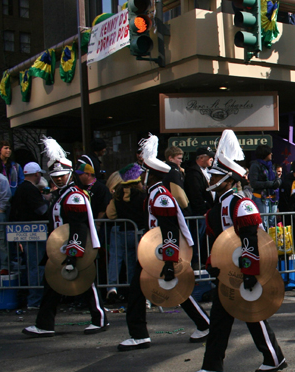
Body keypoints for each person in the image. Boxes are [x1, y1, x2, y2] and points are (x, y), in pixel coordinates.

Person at [189, 130, 286, 372]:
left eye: (218, 175)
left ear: (229, 178)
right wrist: (214, 265)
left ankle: (274, 357)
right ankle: (213, 365)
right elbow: (220, 242)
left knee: (251, 312)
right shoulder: (218, 205)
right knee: (222, 317)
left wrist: (249, 271)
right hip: (230, 270)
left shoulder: (240, 203)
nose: (213, 178)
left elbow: (250, 240)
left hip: (246, 268)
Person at [117, 134, 211, 351]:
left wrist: (169, 262)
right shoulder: (154, 193)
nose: (140, 176)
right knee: (164, 290)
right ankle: (203, 323)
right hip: (156, 251)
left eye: (144, 173)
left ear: (151, 174)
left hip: (161, 252)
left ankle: (140, 335)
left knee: (149, 290)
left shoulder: (159, 196)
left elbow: (170, 230)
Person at [22, 137, 108, 338]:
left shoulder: (74, 196)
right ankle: (45, 324)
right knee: (53, 284)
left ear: (70, 174)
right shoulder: (63, 193)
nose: (58, 178)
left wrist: (73, 254)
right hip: (61, 248)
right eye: (55, 175)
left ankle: (100, 318)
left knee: (86, 282)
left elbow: (78, 226)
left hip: (72, 247)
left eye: (62, 175)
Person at [104, 164, 146, 305]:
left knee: (115, 260)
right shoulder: (142, 196)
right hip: (137, 232)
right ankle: (133, 290)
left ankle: (112, 287)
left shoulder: (117, 195)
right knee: (134, 262)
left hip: (120, 231)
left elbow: (110, 215)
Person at [9, 162, 49, 306]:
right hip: (35, 233)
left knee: (32, 265)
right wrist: (47, 202)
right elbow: (41, 210)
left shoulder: (20, 189)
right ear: (37, 174)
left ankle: (32, 298)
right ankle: (35, 300)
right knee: (37, 266)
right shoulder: (30, 190)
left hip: (25, 232)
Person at [247, 145, 281, 230]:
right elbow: (254, 183)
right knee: (263, 222)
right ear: (265, 154)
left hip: (273, 198)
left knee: (272, 222)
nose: (271, 154)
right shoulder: (255, 166)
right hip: (261, 198)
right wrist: (270, 184)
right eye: (270, 152)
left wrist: (278, 182)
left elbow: (277, 178)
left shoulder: (271, 166)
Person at [0, 170, 9, 272]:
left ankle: (4, 266)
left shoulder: (1, 179)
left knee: (1, 241)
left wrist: (1, 210)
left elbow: (5, 196)